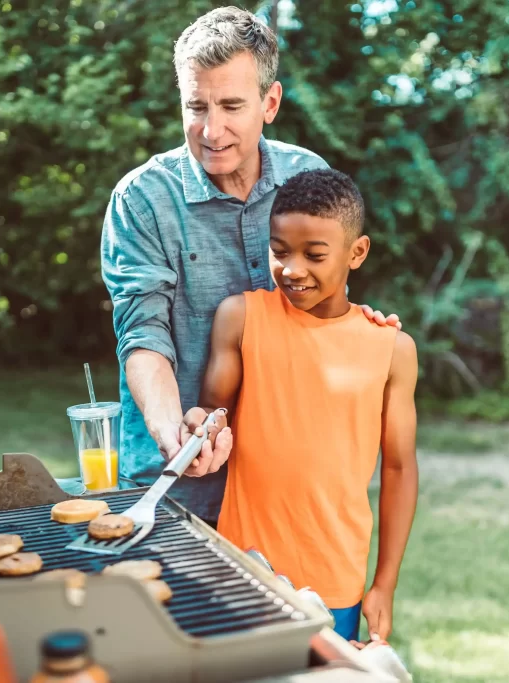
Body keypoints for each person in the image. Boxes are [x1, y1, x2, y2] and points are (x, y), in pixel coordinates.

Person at [100, 6, 400, 527]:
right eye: (196, 106)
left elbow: (324, 307)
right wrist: (173, 428)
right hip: (174, 477)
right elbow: (142, 333)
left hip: (282, 477)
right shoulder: (142, 198)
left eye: (231, 106)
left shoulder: (308, 175)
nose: (211, 130)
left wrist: (360, 324)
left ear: (270, 102)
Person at [192, 168, 419, 645]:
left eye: (314, 255)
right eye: (279, 252)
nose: (292, 269)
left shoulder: (391, 349)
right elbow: (212, 417)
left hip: (335, 576)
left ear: (356, 253)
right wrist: (199, 433)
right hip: (244, 568)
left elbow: (399, 468)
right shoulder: (240, 318)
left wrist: (385, 583)